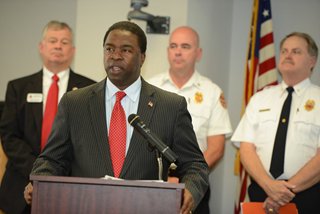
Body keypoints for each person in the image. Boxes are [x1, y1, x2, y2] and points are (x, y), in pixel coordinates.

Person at [23, 21, 209, 214]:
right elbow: (51, 160)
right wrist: (39, 180)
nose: (115, 56)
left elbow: (195, 165)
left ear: (142, 57)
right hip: (84, 207)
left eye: (126, 50)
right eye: (109, 49)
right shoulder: (75, 103)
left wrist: (190, 191)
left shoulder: (170, 106)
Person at [0, 20, 96, 214]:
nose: (58, 46)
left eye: (64, 42)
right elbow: (9, 137)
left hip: (70, 187)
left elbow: (90, 139)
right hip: (20, 185)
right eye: (53, 40)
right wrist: (38, 173)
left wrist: (55, 175)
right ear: (41, 47)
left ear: (73, 50)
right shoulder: (18, 88)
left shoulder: (90, 90)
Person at [232, 32, 320, 214]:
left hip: (307, 196)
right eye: (284, 51)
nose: (288, 55)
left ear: (312, 61)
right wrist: (269, 186)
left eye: (296, 51)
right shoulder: (260, 98)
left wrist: (285, 191)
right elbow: (246, 148)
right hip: (261, 193)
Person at [148, 26, 232, 213]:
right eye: (173, 46)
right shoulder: (149, 87)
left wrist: (188, 178)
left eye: (185, 46)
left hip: (194, 185)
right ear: (168, 51)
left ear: (198, 53)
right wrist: (164, 177)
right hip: (153, 182)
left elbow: (216, 148)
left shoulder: (212, 92)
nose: (178, 52)